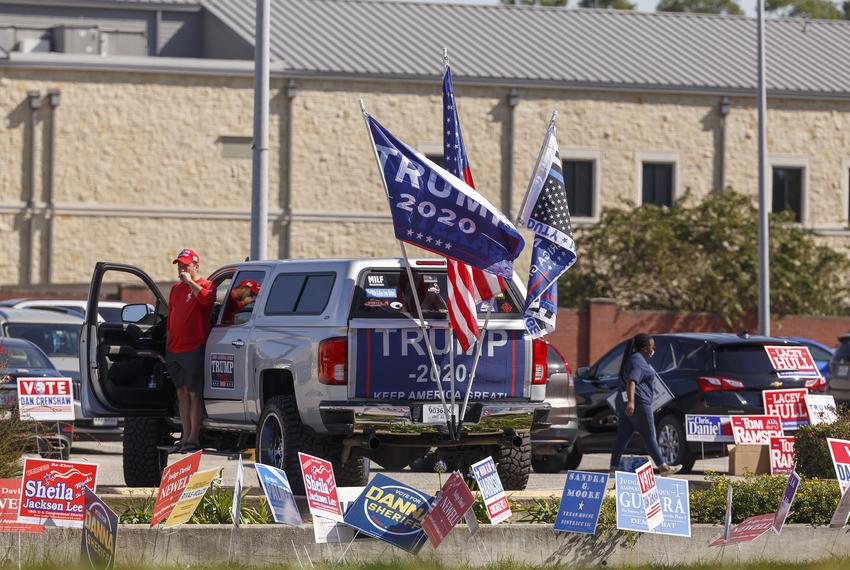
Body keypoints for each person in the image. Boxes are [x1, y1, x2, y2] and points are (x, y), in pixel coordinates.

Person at [609, 333, 682, 476]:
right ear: (644, 348)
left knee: (623, 436)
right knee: (649, 437)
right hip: (639, 404)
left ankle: (613, 468)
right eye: (651, 346)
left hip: (629, 404)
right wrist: (631, 402)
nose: (653, 349)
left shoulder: (634, 359)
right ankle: (663, 467)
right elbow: (632, 381)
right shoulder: (638, 361)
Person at [165, 248, 214, 454]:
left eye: (185, 264)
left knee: (194, 394)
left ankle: (194, 436)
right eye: (179, 265)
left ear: (196, 266)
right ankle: (185, 435)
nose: (182, 268)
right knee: (181, 393)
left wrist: (190, 282)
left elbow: (206, 300)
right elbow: (171, 316)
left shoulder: (205, 285)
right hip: (174, 348)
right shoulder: (176, 289)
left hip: (193, 347)